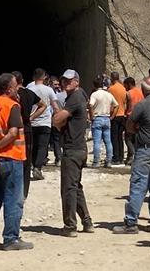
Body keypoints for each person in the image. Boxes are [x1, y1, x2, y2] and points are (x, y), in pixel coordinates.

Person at [0, 73, 32, 250]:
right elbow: (12, 133)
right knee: (13, 200)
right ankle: (11, 239)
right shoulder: (13, 106)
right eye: (15, 85)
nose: (17, 88)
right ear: (9, 88)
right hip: (11, 156)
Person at [113, 77, 150, 234]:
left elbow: (129, 127)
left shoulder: (142, 105)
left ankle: (131, 222)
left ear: (144, 90)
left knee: (138, 183)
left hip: (145, 148)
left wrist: (138, 130)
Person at [52, 70, 93, 237]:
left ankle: (70, 226)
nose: (65, 83)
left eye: (69, 80)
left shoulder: (75, 99)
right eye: (63, 80)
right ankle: (87, 221)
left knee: (68, 188)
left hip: (73, 149)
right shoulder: (80, 95)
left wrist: (56, 114)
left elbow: (57, 120)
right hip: (79, 148)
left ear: (77, 81)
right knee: (76, 187)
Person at [12, 71, 43, 198]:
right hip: (27, 129)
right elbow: (43, 105)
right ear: (22, 80)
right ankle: (24, 193)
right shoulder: (29, 93)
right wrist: (31, 117)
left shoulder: (12, 95)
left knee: (14, 158)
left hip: (15, 130)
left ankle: (14, 189)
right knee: (27, 160)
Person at [26, 68, 59, 180]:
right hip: (45, 122)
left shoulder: (29, 88)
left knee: (32, 146)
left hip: (31, 122)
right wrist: (58, 118)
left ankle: (31, 165)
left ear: (33, 77)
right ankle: (37, 168)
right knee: (42, 146)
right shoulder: (49, 90)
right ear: (45, 77)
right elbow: (55, 106)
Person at [88, 76, 117, 168]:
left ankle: (96, 162)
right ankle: (109, 161)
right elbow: (116, 105)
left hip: (98, 118)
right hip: (107, 118)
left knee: (97, 142)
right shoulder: (108, 94)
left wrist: (91, 116)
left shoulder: (94, 94)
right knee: (108, 142)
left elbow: (91, 105)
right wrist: (112, 116)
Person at [107, 71, 128, 166]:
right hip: (122, 114)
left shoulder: (111, 89)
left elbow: (110, 103)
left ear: (112, 78)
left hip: (114, 115)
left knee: (114, 137)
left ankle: (116, 157)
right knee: (120, 137)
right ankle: (121, 156)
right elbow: (124, 102)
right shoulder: (123, 88)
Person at [123, 77, 144, 166]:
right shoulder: (141, 92)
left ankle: (133, 155)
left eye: (125, 85)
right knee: (136, 138)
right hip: (141, 117)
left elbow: (127, 106)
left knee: (128, 138)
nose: (125, 87)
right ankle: (133, 156)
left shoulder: (129, 93)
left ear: (129, 84)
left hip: (131, 116)